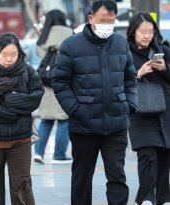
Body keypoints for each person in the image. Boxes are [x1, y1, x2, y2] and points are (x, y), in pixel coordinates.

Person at [51, 0, 138, 204]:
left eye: (111, 20)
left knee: (117, 176)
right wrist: (75, 109)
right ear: (91, 18)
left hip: (116, 123)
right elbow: (59, 81)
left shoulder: (120, 42)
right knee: (82, 178)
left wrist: (130, 104)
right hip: (84, 125)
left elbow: (130, 77)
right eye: (102, 20)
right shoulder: (71, 45)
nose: (107, 24)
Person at [0, 32, 44, 205]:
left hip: (20, 140)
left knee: (22, 188)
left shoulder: (27, 71)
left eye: (14, 54)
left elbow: (36, 96)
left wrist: (10, 100)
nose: (9, 59)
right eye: (5, 54)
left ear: (20, 54)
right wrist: (10, 113)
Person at [126, 13, 170, 205]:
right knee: (147, 155)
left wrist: (165, 69)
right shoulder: (124, 53)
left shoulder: (164, 51)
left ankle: (164, 197)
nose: (146, 36)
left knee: (164, 156)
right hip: (140, 112)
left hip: (164, 110)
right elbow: (117, 82)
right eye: (142, 32)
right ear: (133, 32)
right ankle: (145, 198)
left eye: (150, 32)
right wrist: (138, 73)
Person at [33, 9, 73, 164]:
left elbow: (40, 56)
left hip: (46, 85)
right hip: (65, 84)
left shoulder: (44, 35)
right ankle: (59, 154)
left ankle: (38, 153)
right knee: (64, 119)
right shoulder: (71, 33)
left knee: (46, 119)